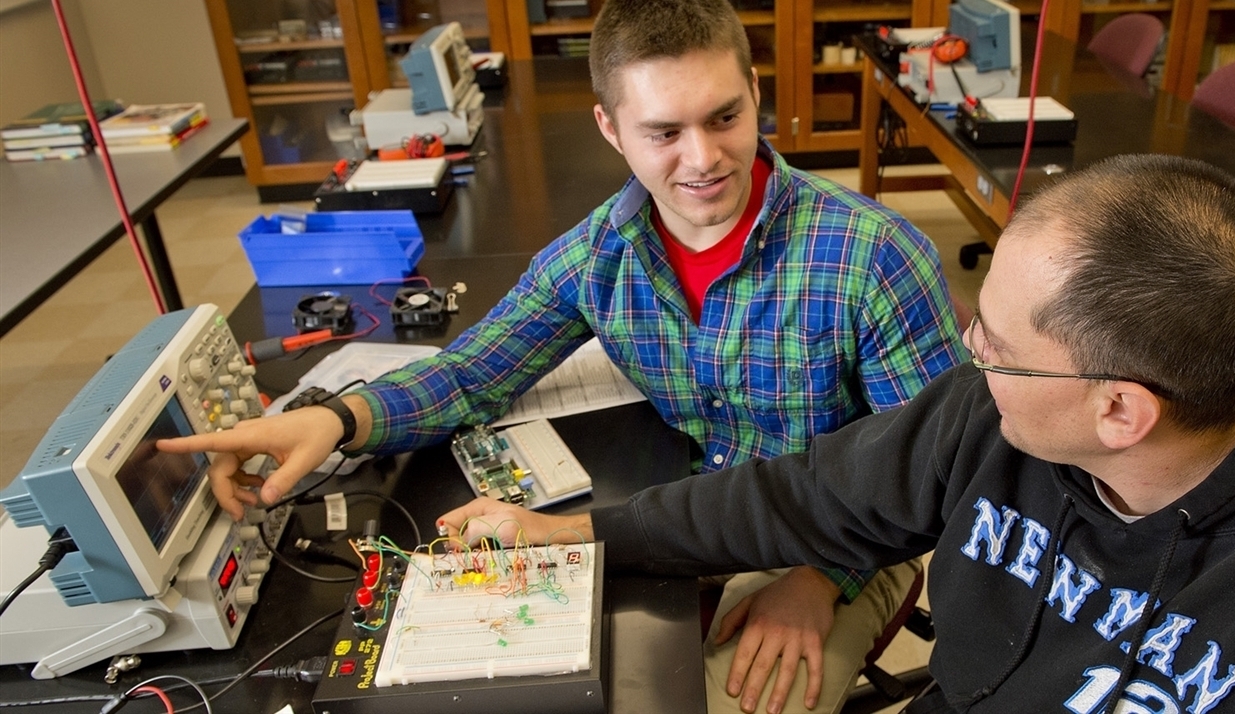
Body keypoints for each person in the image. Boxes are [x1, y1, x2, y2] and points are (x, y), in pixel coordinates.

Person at [440, 154, 1235, 713]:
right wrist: (583, 536)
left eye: (997, 341)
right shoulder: (992, 417)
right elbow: (795, 497)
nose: (967, 351)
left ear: (1120, 410)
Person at [159, 1, 961, 713]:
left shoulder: (875, 257)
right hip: (685, 517)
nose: (703, 158)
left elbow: (931, 476)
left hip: (833, 537)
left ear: (756, 93)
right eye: (663, 132)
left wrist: (819, 580)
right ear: (610, 128)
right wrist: (335, 420)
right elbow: (475, 371)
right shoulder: (596, 258)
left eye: (724, 117)